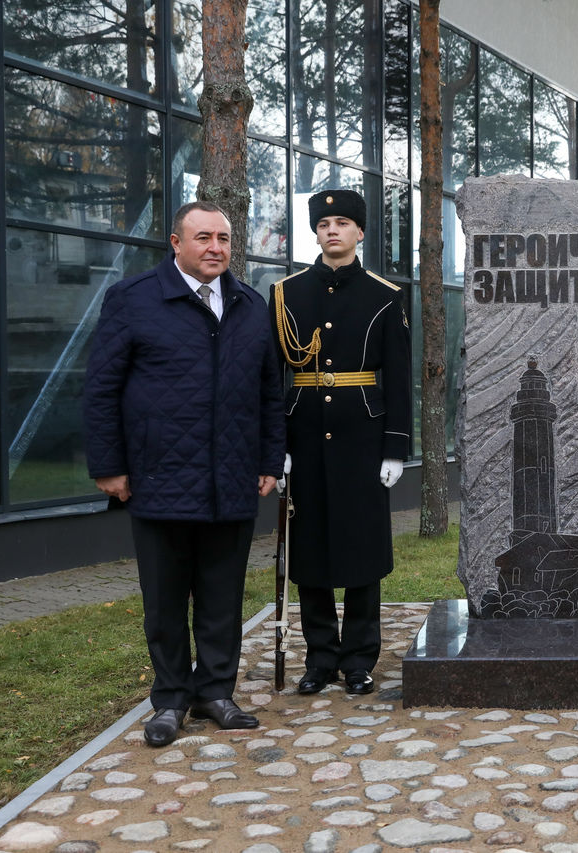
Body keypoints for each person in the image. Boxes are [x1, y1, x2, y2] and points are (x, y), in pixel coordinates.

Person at [85, 201, 285, 747]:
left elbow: (270, 392)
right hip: (158, 478)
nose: (215, 247)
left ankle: (216, 691)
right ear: (176, 243)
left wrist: (270, 460)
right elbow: (101, 388)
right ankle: (171, 699)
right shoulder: (133, 299)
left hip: (233, 481)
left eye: (222, 238)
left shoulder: (248, 304)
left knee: (222, 597)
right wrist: (109, 466)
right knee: (166, 599)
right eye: (202, 238)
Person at [271, 189, 412, 696]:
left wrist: (395, 446)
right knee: (309, 550)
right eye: (324, 222)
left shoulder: (384, 294)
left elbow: (397, 376)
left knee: (360, 547)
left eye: (343, 222)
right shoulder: (286, 293)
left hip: (362, 436)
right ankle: (319, 658)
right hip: (304, 433)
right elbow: (273, 377)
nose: (332, 230)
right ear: (316, 231)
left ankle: (358, 659)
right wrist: (276, 443)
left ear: (359, 232)